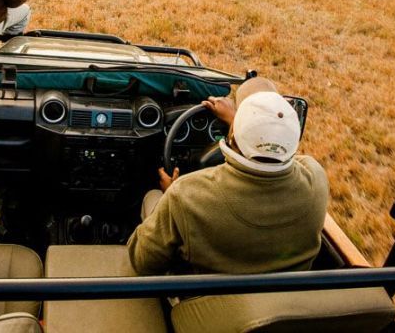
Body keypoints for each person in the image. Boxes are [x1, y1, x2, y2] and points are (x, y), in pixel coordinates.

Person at [127, 77, 328, 275]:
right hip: (284, 300)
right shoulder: (316, 178)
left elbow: (142, 262)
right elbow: (273, 151)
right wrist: (240, 123)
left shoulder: (184, 196)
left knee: (152, 196)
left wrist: (170, 195)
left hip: (202, 303)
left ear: (231, 136)